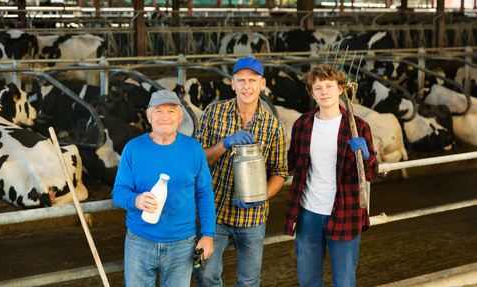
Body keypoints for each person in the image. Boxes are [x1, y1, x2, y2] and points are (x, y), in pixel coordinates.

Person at [194, 57, 289, 286]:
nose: (247, 86)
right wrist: (225, 143)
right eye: (241, 80)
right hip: (212, 214)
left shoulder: (273, 125)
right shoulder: (213, 112)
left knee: (249, 280)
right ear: (232, 83)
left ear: (262, 83)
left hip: (253, 217)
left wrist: (262, 195)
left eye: (252, 80)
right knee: (202, 270)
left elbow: (280, 172)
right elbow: (196, 160)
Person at [284, 64, 379, 287]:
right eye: (318, 88)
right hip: (309, 214)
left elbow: (372, 173)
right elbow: (289, 163)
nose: (324, 92)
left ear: (340, 89)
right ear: (312, 93)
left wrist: (366, 155)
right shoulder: (302, 125)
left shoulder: (359, 127)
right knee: (308, 280)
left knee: (344, 281)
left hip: (345, 212)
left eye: (329, 86)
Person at [112, 89, 216, 287]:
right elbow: (118, 191)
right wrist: (136, 200)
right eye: (158, 111)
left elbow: (204, 194)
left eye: (171, 111)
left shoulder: (194, 149)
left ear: (180, 116)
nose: (165, 117)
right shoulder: (133, 149)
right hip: (139, 241)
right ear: (149, 115)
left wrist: (208, 235)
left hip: (182, 243)